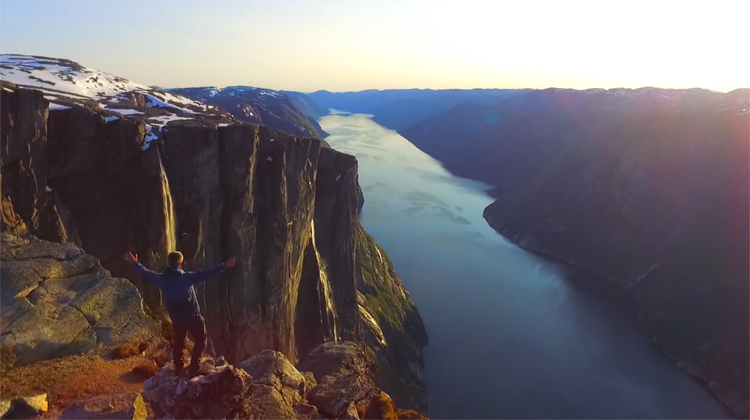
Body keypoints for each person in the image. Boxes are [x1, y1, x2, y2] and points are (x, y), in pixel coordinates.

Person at [124, 250, 236, 378]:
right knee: (201, 341)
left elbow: (146, 274)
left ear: (169, 263)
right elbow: (207, 272)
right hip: (193, 317)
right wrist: (225, 266)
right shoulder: (187, 278)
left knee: (179, 344)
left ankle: (178, 369)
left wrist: (134, 263)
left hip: (177, 320)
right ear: (181, 264)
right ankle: (194, 368)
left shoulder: (161, 279)